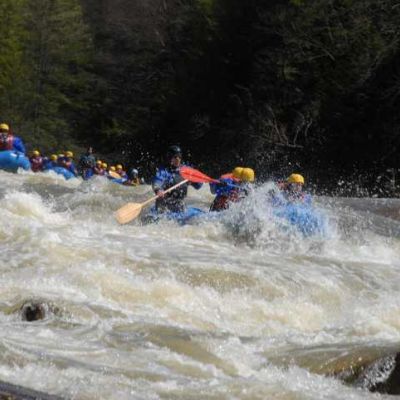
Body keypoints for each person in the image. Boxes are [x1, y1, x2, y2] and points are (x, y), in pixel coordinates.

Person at [152, 145, 202, 213]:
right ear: (170, 158)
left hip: (179, 204)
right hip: (164, 205)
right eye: (175, 157)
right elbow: (157, 181)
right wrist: (158, 190)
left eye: (179, 156)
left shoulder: (185, 170)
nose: (178, 159)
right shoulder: (164, 171)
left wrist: (193, 181)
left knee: (181, 205)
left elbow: (199, 186)